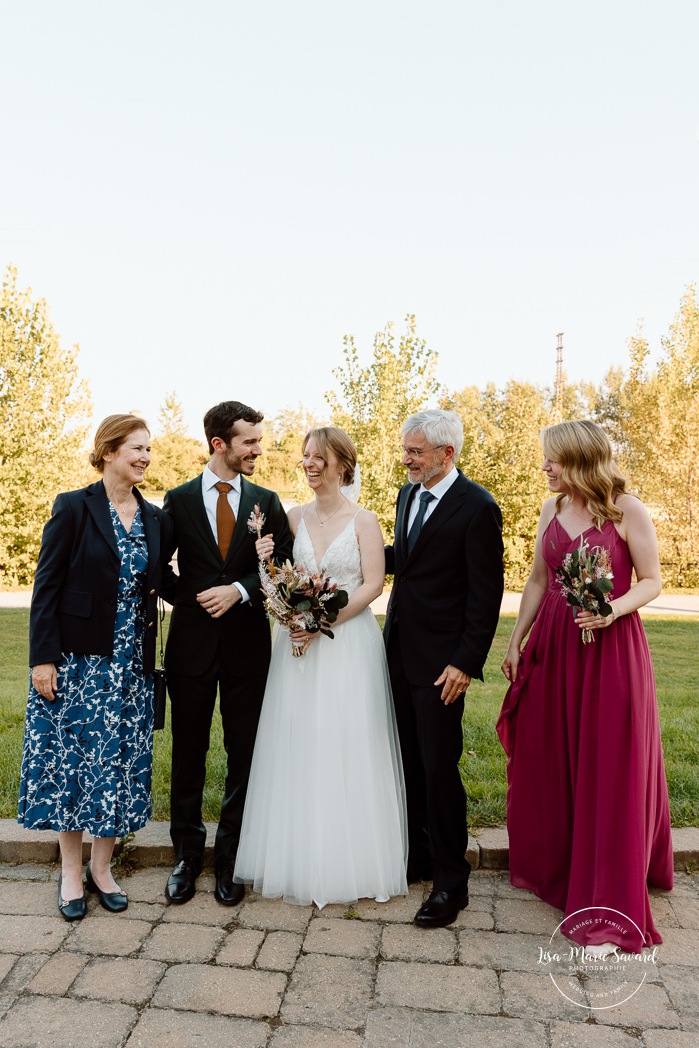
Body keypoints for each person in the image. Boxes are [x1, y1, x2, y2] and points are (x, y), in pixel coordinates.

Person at [497, 419, 673, 955]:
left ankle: (608, 897)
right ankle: (559, 869)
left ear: (579, 459)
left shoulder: (626, 509)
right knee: (552, 756)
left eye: (552, 459)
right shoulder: (550, 510)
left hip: (609, 651)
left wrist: (609, 611)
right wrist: (515, 639)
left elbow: (652, 581)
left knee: (608, 767)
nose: (544, 467)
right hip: (554, 646)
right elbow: (538, 580)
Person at [234, 427, 408, 907]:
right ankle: (297, 854)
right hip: (299, 649)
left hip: (348, 643)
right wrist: (268, 564)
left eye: (319, 457)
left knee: (347, 739)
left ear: (342, 463)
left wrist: (322, 619)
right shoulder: (292, 517)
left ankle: (350, 859)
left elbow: (373, 584)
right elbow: (282, 581)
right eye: (305, 457)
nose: (309, 464)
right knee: (300, 738)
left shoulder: (365, 520)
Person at [18, 414, 173, 921]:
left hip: (131, 664)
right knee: (74, 766)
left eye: (148, 449)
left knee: (119, 764)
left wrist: (231, 584)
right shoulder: (73, 507)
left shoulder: (155, 518)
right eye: (136, 448)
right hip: (78, 664)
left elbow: (164, 582)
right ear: (108, 451)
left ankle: (102, 870)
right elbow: (46, 588)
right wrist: (43, 658)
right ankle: (69, 873)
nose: (145, 457)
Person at [162, 400, 293, 907]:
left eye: (259, 441)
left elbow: (282, 572)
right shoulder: (176, 501)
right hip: (190, 650)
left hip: (246, 651)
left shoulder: (267, 500)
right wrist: (194, 602)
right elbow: (159, 570)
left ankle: (231, 858)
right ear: (220, 444)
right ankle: (185, 856)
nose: (258, 449)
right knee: (188, 753)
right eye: (250, 442)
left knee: (244, 756)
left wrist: (238, 590)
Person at [384, 409, 504, 928]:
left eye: (415, 451)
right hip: (396, 651)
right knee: (407, 762)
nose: (406, 459)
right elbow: (403, 563)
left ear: (446, 454)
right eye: (406, 450)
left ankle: (452, 884)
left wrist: (464, 662)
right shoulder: (407, 494)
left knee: (439, 769)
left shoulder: (477, 507)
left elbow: (486, 594)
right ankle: (420, 858)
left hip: (442, 666)